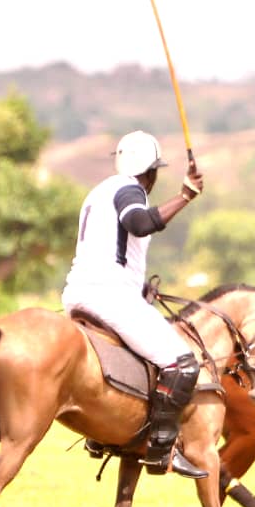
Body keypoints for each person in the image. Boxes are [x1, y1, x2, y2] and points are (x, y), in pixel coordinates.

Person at [61, 131, 207, 479]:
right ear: (150, 171)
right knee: (182, 364)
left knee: (131, 356)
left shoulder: (98, 192)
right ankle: (160, 450)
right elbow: (139, 224)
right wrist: (186, 195)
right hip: (109, 296)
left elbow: (113, 250)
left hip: (78, 294)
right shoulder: (130, 190)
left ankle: (101, 434)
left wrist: (140, 288)